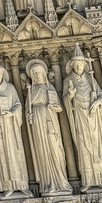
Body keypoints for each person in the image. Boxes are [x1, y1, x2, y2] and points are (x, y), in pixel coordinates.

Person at [63, 46, 102, 191]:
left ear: (85, 65)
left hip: (93, 117)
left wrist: (97, 103)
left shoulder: (90, 79)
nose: (79, 67)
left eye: (81, 64)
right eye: (76, 65)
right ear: (72, 65)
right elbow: (65, 100)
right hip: (80, 117)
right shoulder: (68, 81)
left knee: (97, 145)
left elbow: (101, 95)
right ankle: (87, 180)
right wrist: (70, 96)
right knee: (84, 145)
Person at [0, 64, 30, 197]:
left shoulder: (10, 88)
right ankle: (7, 186)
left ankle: (22, 185)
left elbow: (18, 105)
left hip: (11, 127)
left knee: (17, 153)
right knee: (3, 156)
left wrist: (12, 113)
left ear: (3, 74)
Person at [25, 59, 72, 195]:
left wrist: (52, 107)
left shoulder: (49, 88)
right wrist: (29, 115)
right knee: (43, 151)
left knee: (56, 149)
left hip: (51, 122)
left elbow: (59, 108)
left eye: (39, 72)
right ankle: (47, 184)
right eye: (34, 73)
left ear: (44, 73)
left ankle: (61, 181)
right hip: (38, 124)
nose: (37, 75)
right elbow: (27, 109)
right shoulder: (31, 90)